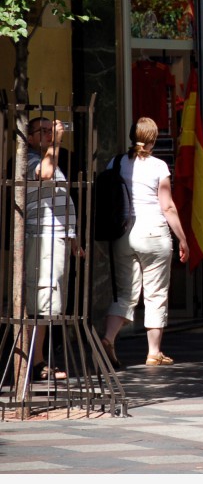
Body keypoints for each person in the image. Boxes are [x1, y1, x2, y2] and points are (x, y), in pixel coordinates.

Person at [100, 118, 189, 368]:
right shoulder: (159, 166)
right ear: (153, 139)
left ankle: (108, 338)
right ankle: (153, 352)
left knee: (125, 293)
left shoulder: (115, 163)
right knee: (155, 294)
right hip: (153, 234)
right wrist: (182, 238)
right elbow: (168, 206)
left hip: (123, 234)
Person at [24, 116, 81, 381]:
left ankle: (38, 360)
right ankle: (35, 363)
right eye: (43, 131)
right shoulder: (33, 159)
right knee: (42, 300)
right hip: (43, 239)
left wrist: (72, 236)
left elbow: (58, 197)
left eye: (51, 130)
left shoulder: (50, 157)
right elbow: (44, 174)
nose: (48, 135)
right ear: (30, 136)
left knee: (49, 302)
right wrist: (56, 142)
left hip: (56, 237)